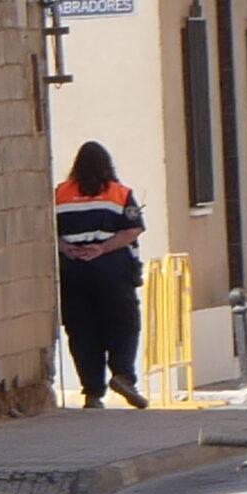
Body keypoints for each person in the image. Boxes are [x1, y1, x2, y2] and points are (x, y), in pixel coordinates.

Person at [55, 141, 150, 410]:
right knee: (124, 323)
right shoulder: (119, 193)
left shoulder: (59, 194)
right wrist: (102, 248)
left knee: (81, 330)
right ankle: (122, 375)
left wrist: (67, 248)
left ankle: (92, 392)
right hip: (111, 268)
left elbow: (47, 230)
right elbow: (132, 229)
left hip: (72, 269)